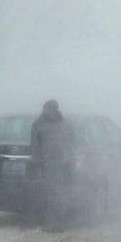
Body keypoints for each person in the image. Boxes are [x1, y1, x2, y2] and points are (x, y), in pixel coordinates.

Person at [30, 99, 75, 232]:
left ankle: (55, 224)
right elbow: (72, 142)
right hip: (59, 163)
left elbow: (35, 145)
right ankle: (58, 222)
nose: (48, 111)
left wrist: (37, 161)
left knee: (54, 193)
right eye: (48, 108)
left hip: (53, 163)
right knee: (57, 193)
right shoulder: (64, 123)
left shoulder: (39, 124)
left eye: (50, 108)